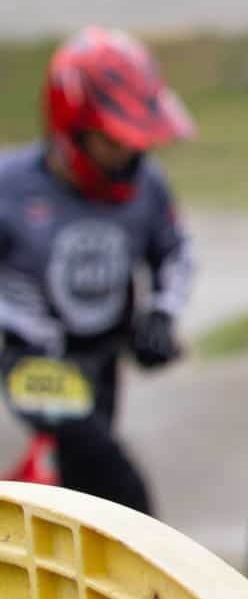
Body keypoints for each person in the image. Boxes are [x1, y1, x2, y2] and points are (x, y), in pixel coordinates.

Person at [0, 28, 197, 516]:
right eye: (114, 141)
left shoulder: (147, 184)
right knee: (118, 492)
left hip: (103, 362)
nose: (128, 154)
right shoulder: (10, 188)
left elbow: (176, 254)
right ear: (72, 130)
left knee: (72, 496)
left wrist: (161, 318)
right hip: (32, 364)